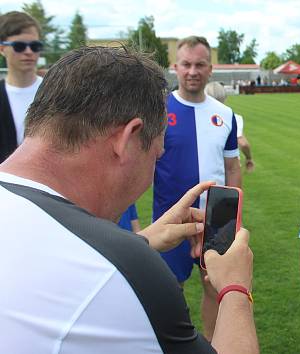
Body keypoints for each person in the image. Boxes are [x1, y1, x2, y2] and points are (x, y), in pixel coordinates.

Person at [0, 46, 258, 353]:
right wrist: (235, 289)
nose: (156, 162)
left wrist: (142, 240)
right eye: (156, 153)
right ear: (128, 138)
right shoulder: (124, 274)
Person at [153, 36, 242, 340]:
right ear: (174, 67)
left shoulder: (225, 115)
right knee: (167, 291)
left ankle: (212, 346)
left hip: (215, 221)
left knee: (214, 286)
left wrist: (233, 218)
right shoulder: (159, 111)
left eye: (199, 64)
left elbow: (232, 167)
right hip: (170, 219)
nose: (192, 71)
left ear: (210, 69)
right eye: (186, 64)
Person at [0, 11, 43, 162]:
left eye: (35, 46)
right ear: (2, 49)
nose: (29, 52)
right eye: (19, 46)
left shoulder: (55, 93)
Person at [205, 81, 255, 172]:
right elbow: (243, 144)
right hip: (230, 167)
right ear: (225, 97)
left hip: (206, 166)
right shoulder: (232, 117)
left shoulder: (198, 116)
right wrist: (249, 158)